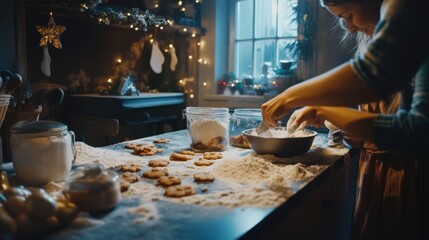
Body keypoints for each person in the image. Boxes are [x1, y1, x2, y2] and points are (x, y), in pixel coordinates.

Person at [261, 0, 429, 239]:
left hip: (409, 185)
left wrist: (291, 96)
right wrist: (326, 112)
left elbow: (377, 75)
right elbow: (408, 128)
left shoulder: (410, 7)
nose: (349, 27)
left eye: (349, 14)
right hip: (376, 179)